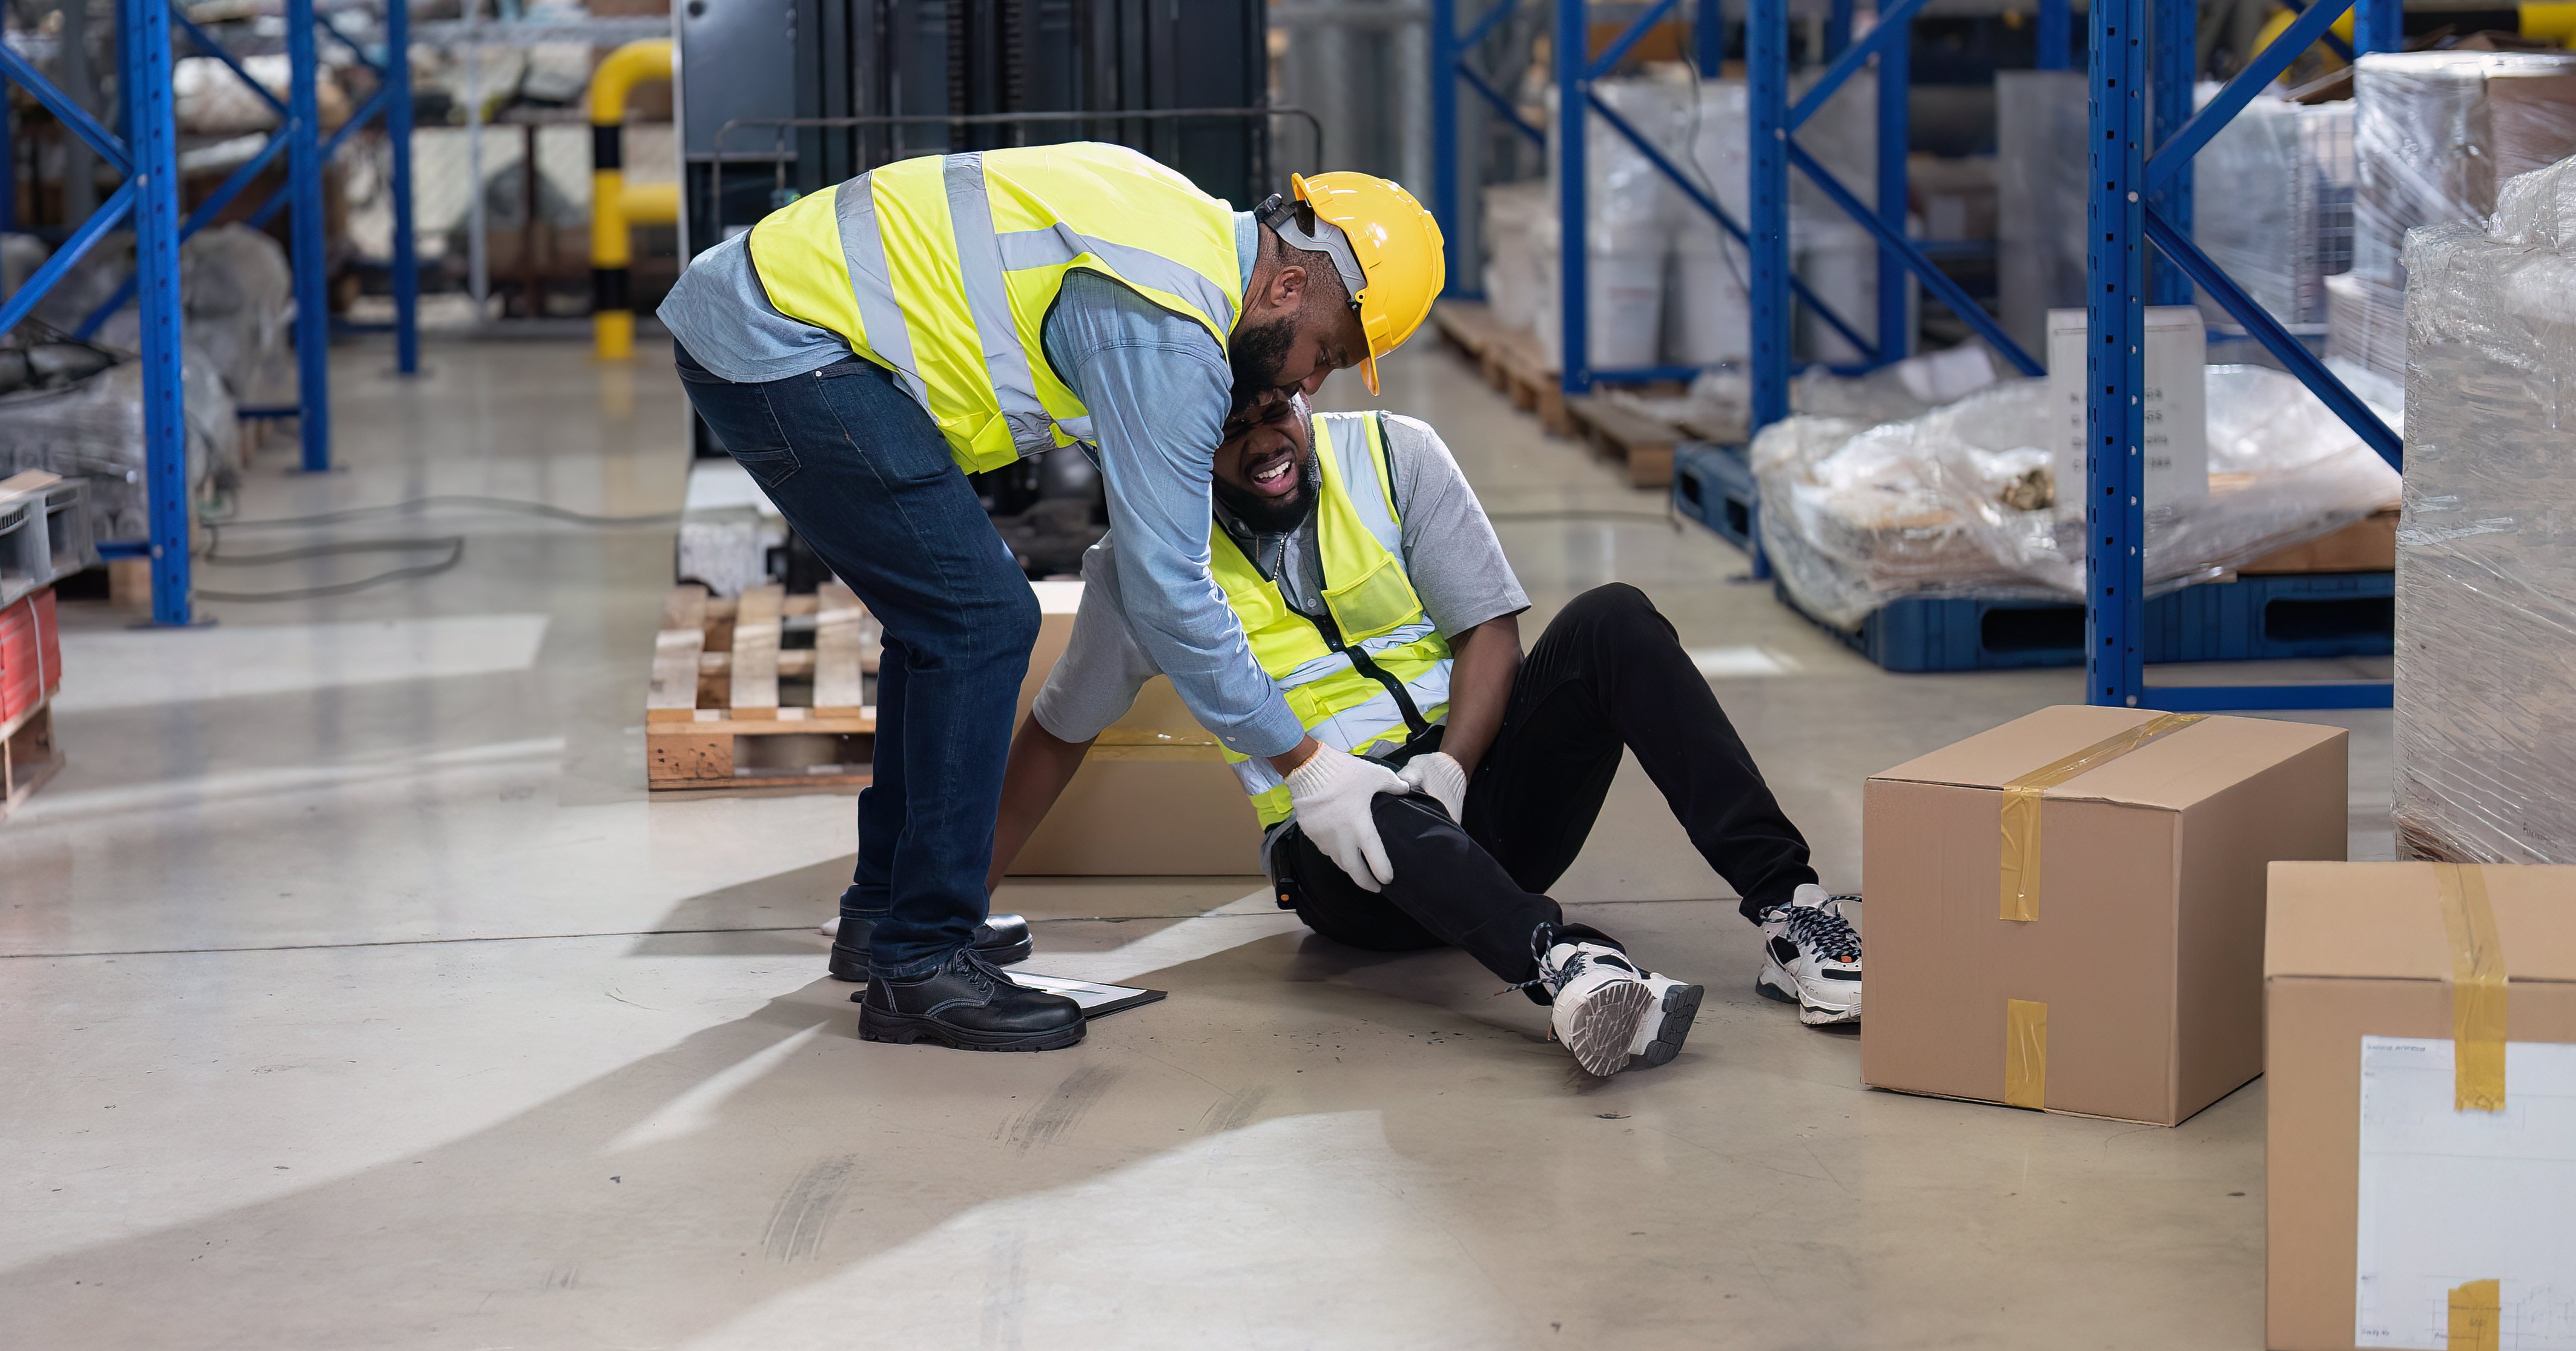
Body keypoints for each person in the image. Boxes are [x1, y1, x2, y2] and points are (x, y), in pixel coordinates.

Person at [663, 145, 1444, 1054]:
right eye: (1327, 354)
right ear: (1287, 290)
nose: (1308, 386)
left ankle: (888, 914)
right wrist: (1308, 765)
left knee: (946, 617)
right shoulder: (1167, 327)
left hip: (771, 319)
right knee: (981, 617)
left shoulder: (1179, 218)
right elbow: (1167, 591)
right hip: (783, 345)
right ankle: (921, 964)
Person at [987, 389, 1865, 1076]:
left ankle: (1791, 912)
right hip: (1343, 862)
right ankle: (1566, 968)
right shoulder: (1140, 568)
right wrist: (948, 905)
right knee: (1370, 799)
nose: (1267, 442)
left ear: (1303, 393)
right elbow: (1059, 734)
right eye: (1229, 426)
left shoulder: (1391, 453)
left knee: (1614, 621)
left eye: (1276, 410)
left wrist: (1452, 767)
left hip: (1474, 792)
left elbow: (1488, 626)